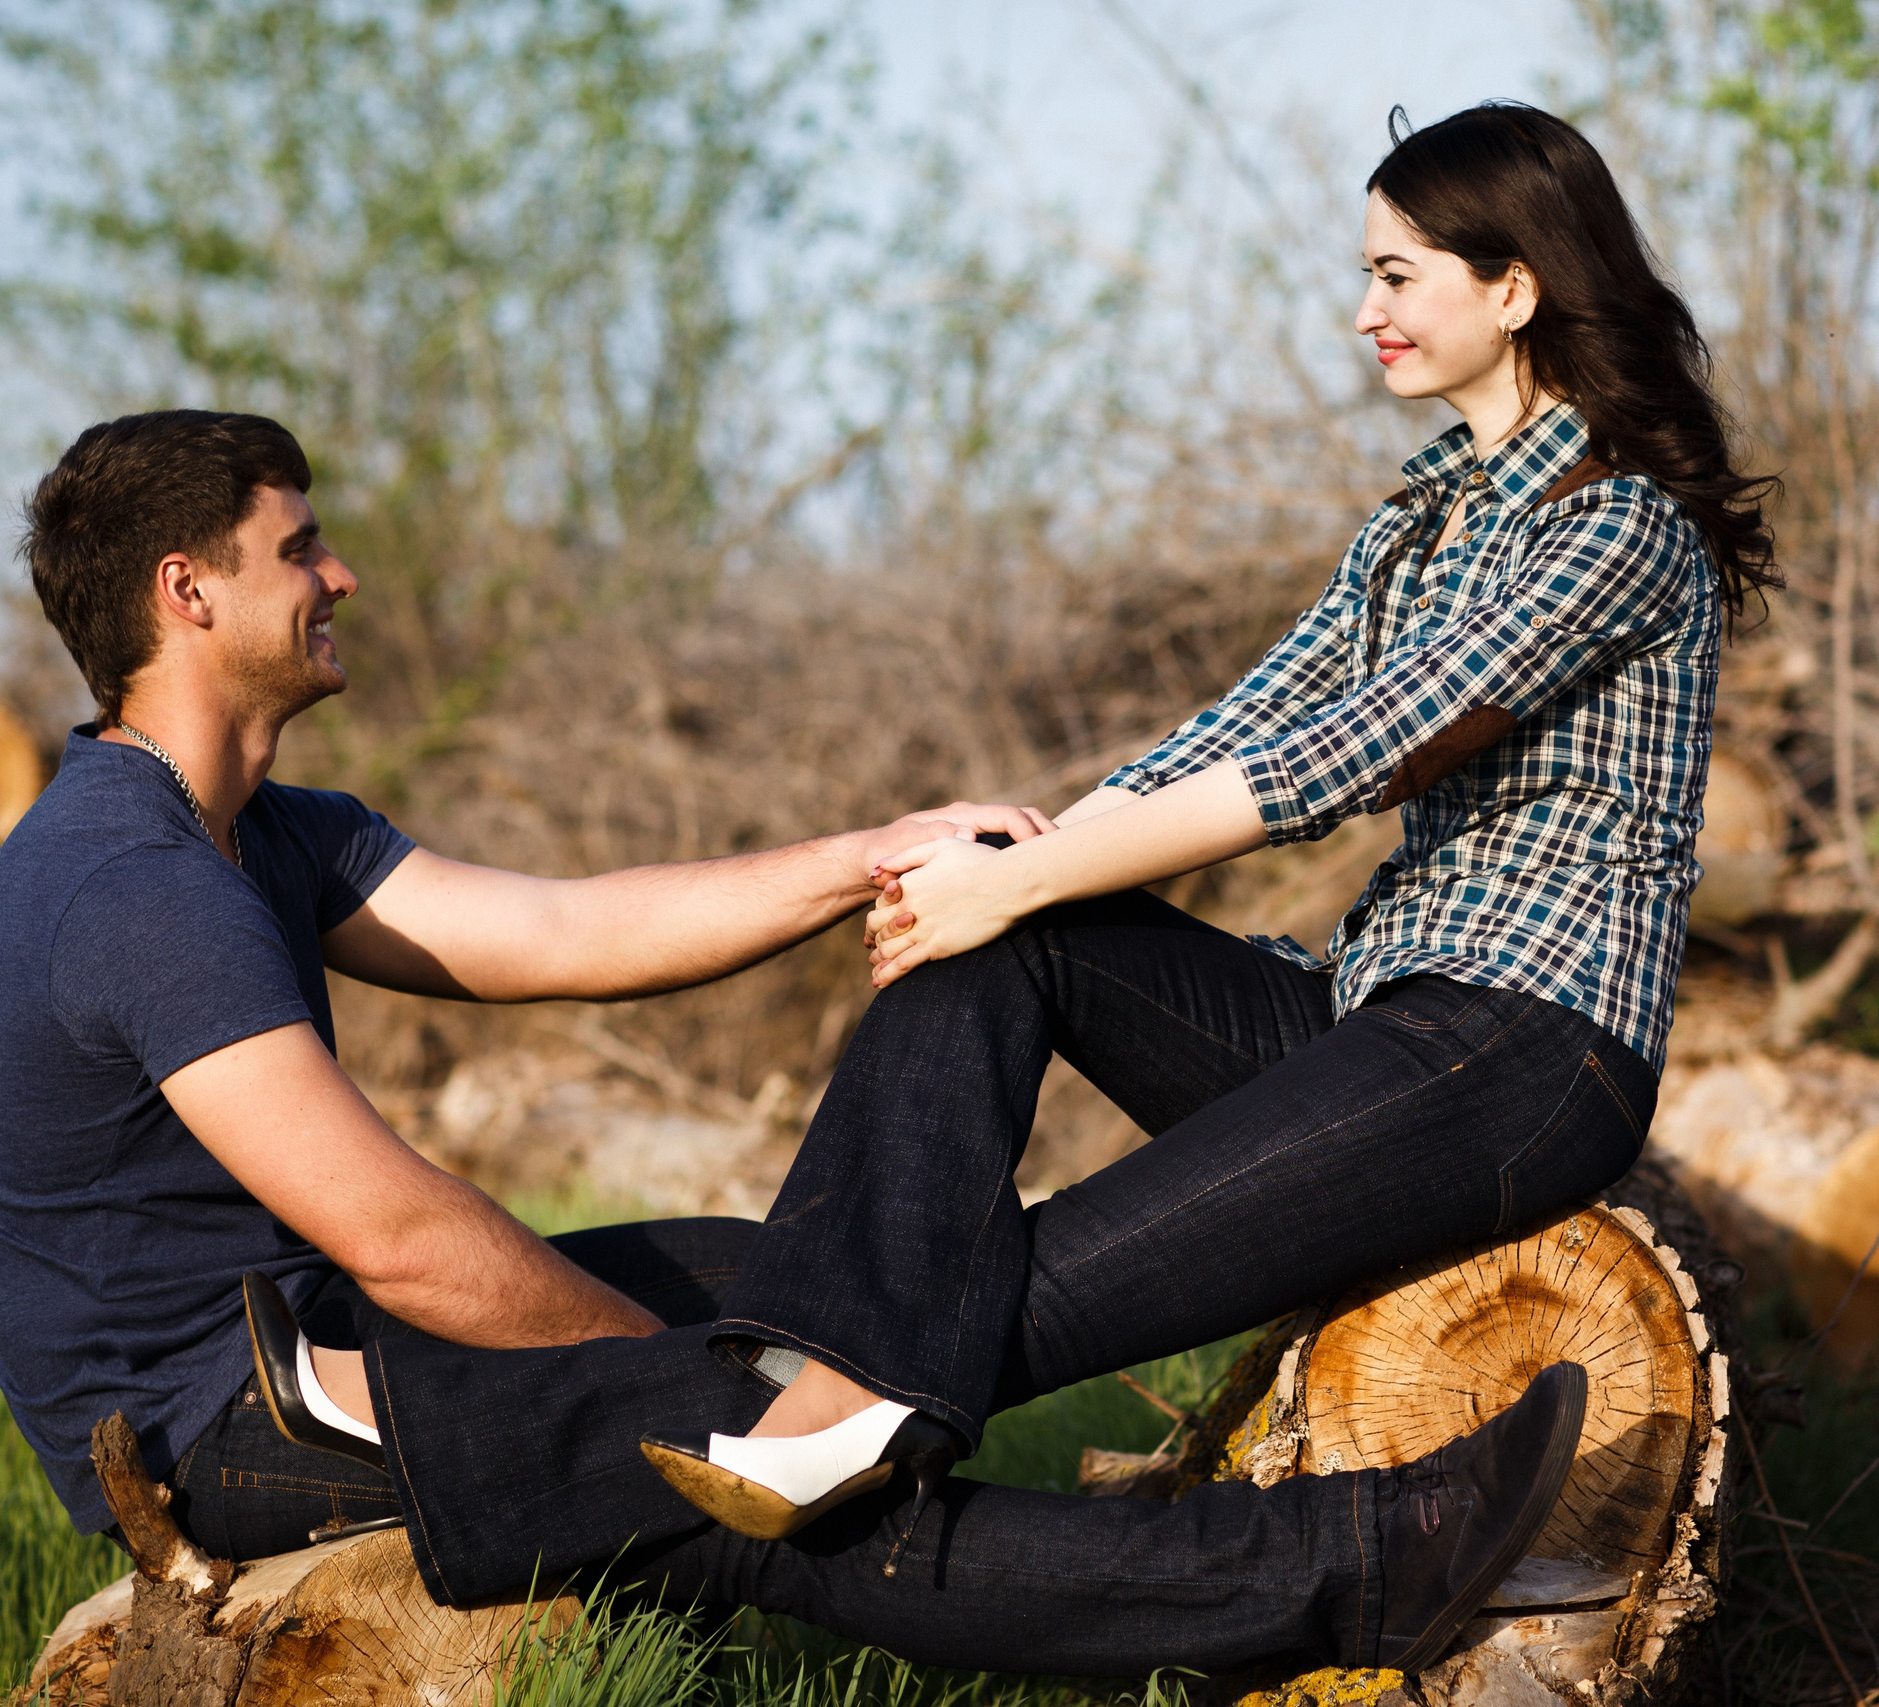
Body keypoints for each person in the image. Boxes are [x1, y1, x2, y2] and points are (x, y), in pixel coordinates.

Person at [0, 406, 1588, 1681]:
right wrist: (715, 1388)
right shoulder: (131, 886)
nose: (339, 575)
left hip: (311, 1332)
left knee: (790, 1289)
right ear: (190, 589)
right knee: (750, 1485)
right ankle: (1357, 1568)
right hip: (238, 1421)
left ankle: (887, 1417)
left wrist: (868, 857)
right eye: (299, 548)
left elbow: (570, 935)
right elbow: (405, 1239)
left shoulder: (260, 831)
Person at [676, 101, 1780, 1537]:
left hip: (1523, 1051)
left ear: (1513, 289)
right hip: (1373, 1016)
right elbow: (1249, 721)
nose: (1364, 311)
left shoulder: (1615, 524)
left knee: (1036, 1283)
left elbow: (1356, 753)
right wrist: (1020, 862)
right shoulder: (1422, 519)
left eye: (1398, 276)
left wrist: (1021, 878)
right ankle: (808, 1388)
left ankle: (771, 1431)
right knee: (1016, 931)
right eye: (1365, 275)